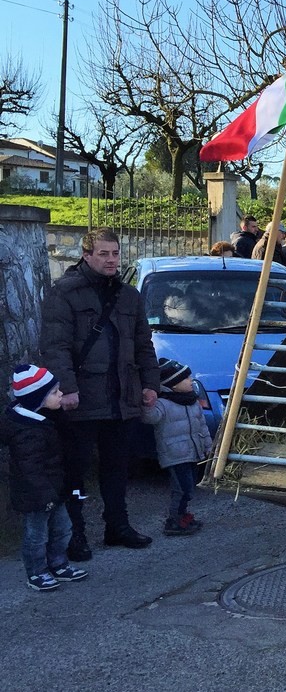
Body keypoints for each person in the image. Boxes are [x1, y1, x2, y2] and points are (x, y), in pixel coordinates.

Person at [40, 227, 160, 560]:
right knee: (75, 473)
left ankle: (117, 527)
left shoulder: (129, 296)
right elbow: (55, 346)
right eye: (103, 254)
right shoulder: (63, 293)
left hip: (122, 397)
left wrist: (151, 384)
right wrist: (67, 388)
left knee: (117, 468)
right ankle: (73, 534)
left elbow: (143, 345)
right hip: (79, 400)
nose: (111, 260)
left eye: (115, 253)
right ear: (86, 254)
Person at [1, 365, 89, 591]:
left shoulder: (45, 419)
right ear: (37, 398)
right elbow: (30, 469)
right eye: (54, 392)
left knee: (63, 528)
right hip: (37, 495)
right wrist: (45, 495)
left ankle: (58, 564)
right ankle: (36, 572)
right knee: (36, 535)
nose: (60, 394)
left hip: (54, 489)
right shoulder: (26, 431)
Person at [143, 359, 211, 537]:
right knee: (181, 488)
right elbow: (150, 418)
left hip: (193, 452)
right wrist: (147, 404)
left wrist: (208, 446)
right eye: (186, 378)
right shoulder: (162, 404)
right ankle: (174, 520)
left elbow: (201, 425)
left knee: (189, 487)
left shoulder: (192, 401)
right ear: (173, 384)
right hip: (175, 454)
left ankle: (183, 515)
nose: (191, 381)